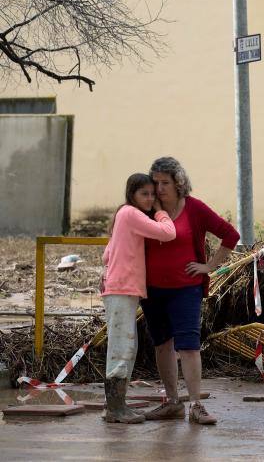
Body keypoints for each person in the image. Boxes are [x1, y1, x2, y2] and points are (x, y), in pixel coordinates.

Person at [141, 157, 239, 425]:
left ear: (178, 183)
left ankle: (196, 405)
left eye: (165, 183)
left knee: (189, 346)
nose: (160, 188)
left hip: (185, 289)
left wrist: (208, 266)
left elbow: (230, 234)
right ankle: (172, 403)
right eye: (156, 182)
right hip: (151, 290)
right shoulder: (146, 209)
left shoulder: (194, 209)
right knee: (162, 345)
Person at [101, 173, 176, 424]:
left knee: (125, 347)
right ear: (132, 194)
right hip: (122, 289)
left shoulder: (122, 216)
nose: (150, 198)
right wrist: (159, 211)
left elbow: (106, 255)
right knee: (122, 348)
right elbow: (168, 233)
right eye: (144, 194)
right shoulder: (131, 214)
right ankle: (114, 408)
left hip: (120, 288)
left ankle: (116, 405)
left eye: (152, 195)